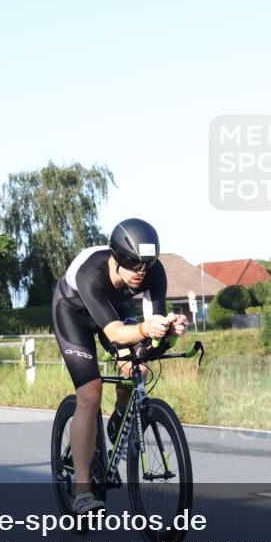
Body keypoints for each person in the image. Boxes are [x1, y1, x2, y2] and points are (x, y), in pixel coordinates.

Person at [51, 218, 188, 514]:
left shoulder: (153, 272)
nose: (141, 272)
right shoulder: (91, 271)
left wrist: (170, 332)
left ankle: (118, 419)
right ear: (116, 258)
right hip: (73, 313)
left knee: (138, 369)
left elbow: (152, 335)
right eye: (133, 264)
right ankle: (83, 491)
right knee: (90, 394)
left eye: (146, 265)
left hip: (113, 309)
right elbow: (114, 333)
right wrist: (145, 329)